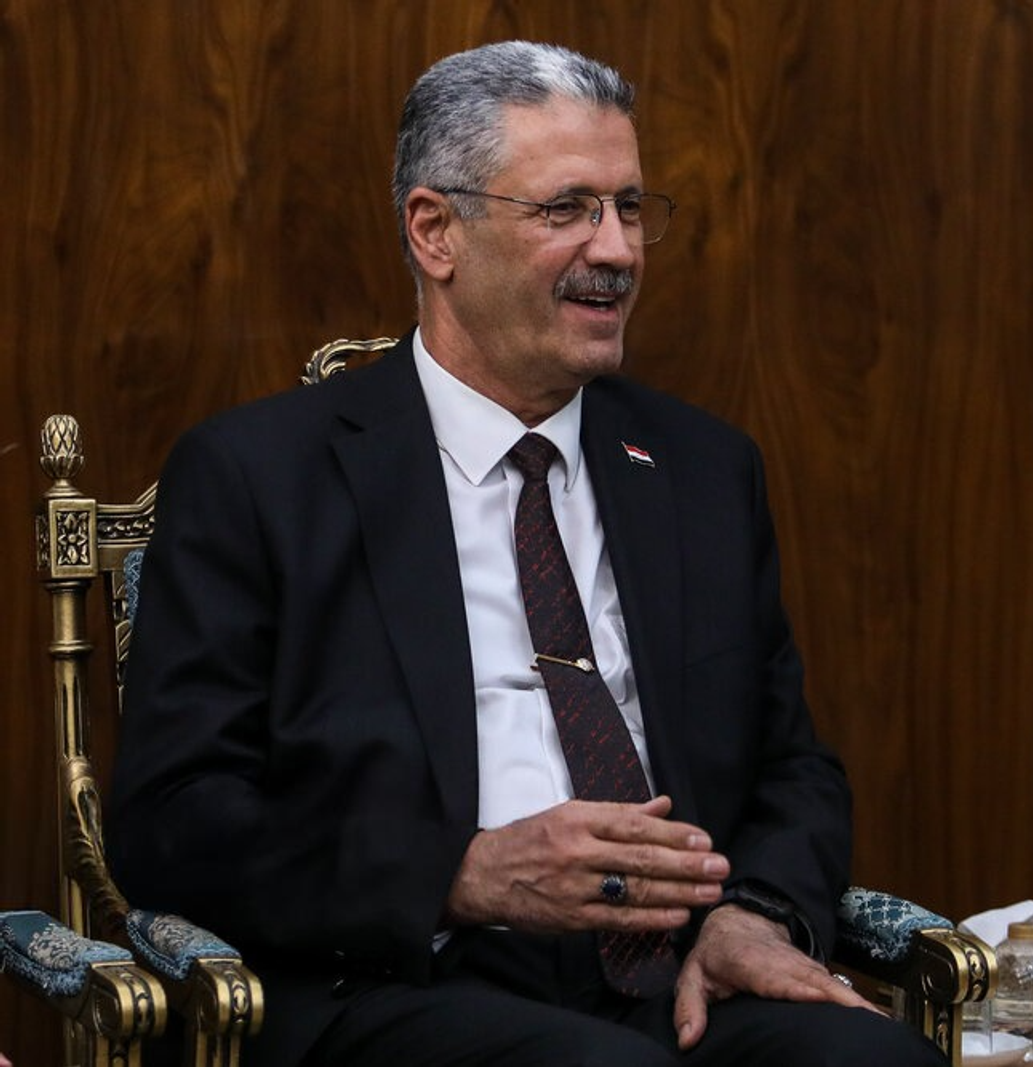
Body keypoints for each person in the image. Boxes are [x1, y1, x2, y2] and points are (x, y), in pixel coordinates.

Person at [106, 40, 943, 1067]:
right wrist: (462, 873)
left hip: (672, 978)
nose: (618, 249)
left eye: (629, 207)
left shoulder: (700, 468)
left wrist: (755, 913)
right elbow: (174, 822)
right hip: (398, 978)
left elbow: (793, 765)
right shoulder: (261, 476)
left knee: (878, 1060)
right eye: (567, 209)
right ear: (436, 232)